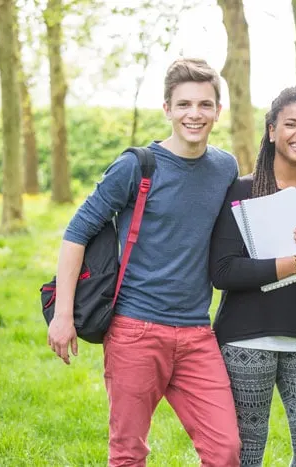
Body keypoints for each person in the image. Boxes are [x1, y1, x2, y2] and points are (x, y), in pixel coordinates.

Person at [47, 58, 241, 466]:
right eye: (184, 104)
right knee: (128, 452)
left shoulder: (225, 167)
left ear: (218, 111)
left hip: (196, 333)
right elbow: (76, 233)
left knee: (225, 450)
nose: (195, 114)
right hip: (135, 329)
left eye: (205, 105)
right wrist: (62, 315)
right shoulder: (137, 165)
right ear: (167, 108)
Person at [210, 85, 296, 467]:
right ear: (271, 130)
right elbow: (222, 271)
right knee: (247, 454)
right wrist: (294, 264)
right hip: (245, 341)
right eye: (291, 124)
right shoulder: (240, 191)